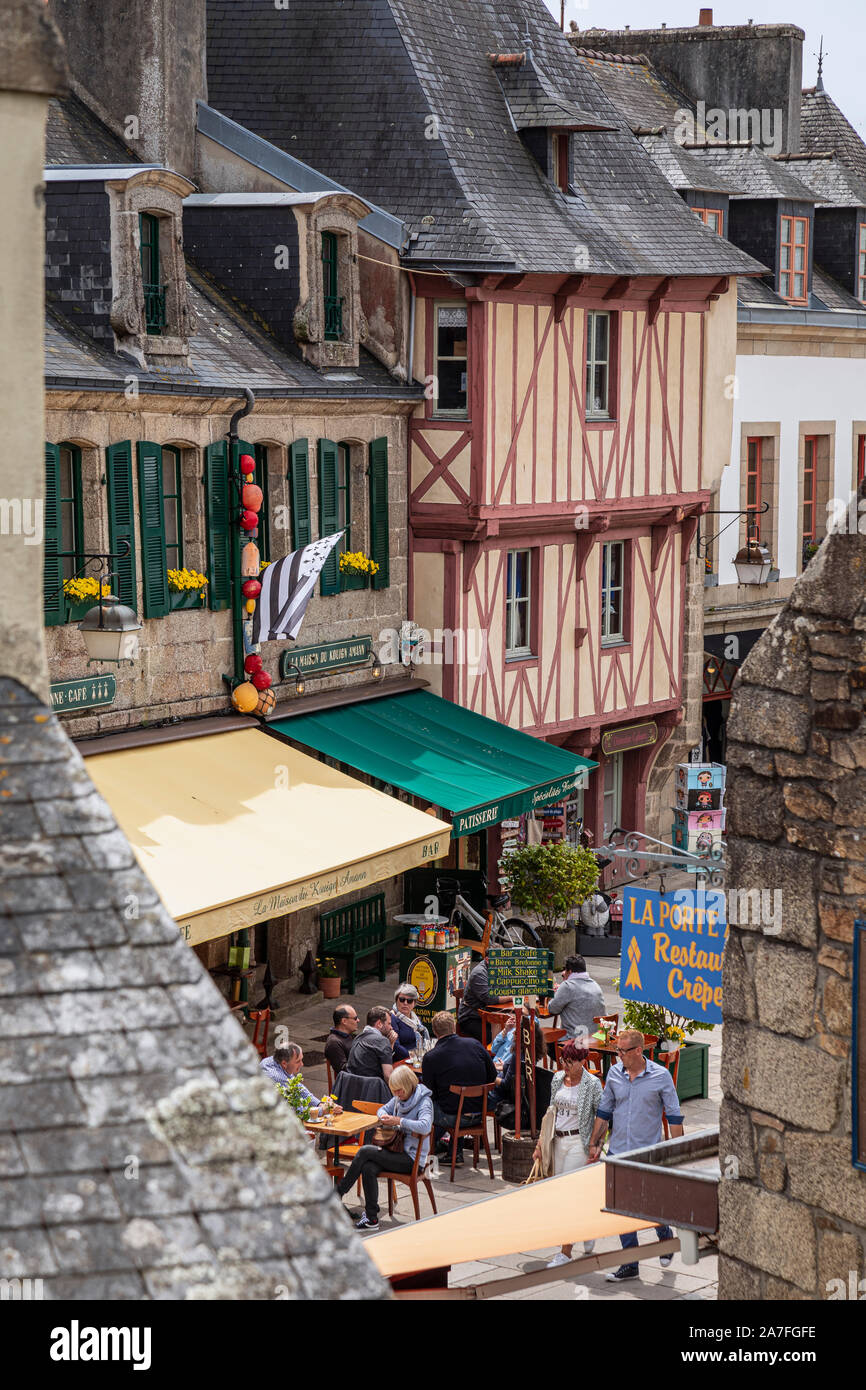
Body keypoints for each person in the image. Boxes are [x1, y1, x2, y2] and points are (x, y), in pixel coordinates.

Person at [587, 1029, 684, 1281]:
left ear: (638, 1051)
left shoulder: (661, 1077)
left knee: (649, 1205)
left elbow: (674, 1115)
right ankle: (630, 1263)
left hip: (647, 1153)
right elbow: (605, 1110)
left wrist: (680, 1153)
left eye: (622, 1051)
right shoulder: (614, 1073)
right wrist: (595, 1142)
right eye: (617, 1050)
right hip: (618, 1151)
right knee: (620, 1208)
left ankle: (665, 1237)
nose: (618, 1055)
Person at [335, 1065, 433, 1232]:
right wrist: (384, 1117)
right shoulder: (398, 1099)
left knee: (365, 1151)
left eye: (399, 1091)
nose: (396, 1095)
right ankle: (372, 1218)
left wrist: (398, 1122)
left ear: (408, 1085)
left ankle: (338, 1193)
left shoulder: (424, 1101)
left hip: (412, 1159)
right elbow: (381, 1110)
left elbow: (425, 1126)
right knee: (368, 1167)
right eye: (394, 1091)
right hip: (395, 1151)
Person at [532, 1041, 603, 1268]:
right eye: (563, 1060)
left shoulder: (592, 1084)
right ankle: (588, 1227)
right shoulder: (556, 1079)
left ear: (583, 1061)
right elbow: (550, 1112)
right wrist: (540, 1144)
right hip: (557, 1141)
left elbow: (601, 1115)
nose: (565, 1065)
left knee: (568, 1195)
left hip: (577, 1142)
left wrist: (596, 1144)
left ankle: (565, 1252)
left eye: (570, 1062)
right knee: (560, 1194)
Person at [422, 1011, 496, 1158]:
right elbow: (492, 1076)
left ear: (435, 1032)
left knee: (425, 1104)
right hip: (479, 1112)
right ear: (454, 1027)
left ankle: (421, 1148)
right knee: (456, 1099)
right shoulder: (475, 1044)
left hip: (452, 1116)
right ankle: (454, 1152)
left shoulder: (431, 1057)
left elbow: (430, 1092)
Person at [259, 1043, 342, 1117]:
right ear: (284, 1063)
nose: (302, 1064)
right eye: (298, 1061)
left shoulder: (272, 1060)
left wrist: (319, 1104)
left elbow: (299, 1087)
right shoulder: (277, 1077)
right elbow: (297, 1111)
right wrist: (322, 1110)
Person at [546, 955, 606, 1041]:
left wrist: (558, 990)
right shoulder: (595, 985)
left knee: (542, 1039)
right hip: (596, 1040)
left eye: (565, 969)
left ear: (569, 972)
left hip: (574, 1042)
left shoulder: (568, 986)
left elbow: (552, 1009)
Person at [457, 956, 507, 1042]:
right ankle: (491, 1054)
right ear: (487, 960)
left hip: (488, 1014)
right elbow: (489, 998)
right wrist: (511, 997)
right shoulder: (479, 973)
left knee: (512, 1030)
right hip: (471, 1017)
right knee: (495, 1038)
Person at [345, 1006, 398, 1081]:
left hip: (353, 1088)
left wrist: (391, 1045)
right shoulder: (382, 1041)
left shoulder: (357, 1038)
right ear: (379, 1024)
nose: (391, 1028)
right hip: (373, 1088)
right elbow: (388, 1076)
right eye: (389, 1024)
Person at [390, 983, 430, 1060]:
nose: (405, 1003)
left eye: (409, 1001)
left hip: (417, 1057)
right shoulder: (392, 1018)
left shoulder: (415, 1018)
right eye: (402, 999)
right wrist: (413, 1055)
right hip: (402, 1060)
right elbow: (396, 1046)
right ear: (396, 1000)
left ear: (414, 1003)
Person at [324, 1004, 360, 1078]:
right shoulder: (334, 1043)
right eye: (355, 1018)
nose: (358, 1020)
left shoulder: (347, 1036)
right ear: (344, 1021)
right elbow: (343, 1070)